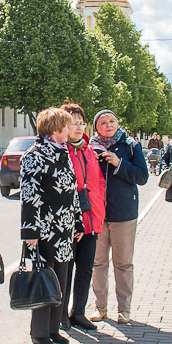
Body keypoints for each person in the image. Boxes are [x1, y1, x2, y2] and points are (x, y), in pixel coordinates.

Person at [21, 107, 84, 344]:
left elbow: (72, 189)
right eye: (67, 126)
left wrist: (77, 220)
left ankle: (53, 329)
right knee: (43, 279)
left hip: (65, 229)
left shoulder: (63, 152)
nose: (71, 130)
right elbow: (29, 196)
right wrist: (30, 234)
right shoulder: (34, 155)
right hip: (44, 230)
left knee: (60, 280)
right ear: (55, 129)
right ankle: (39, 333)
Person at [88, 109, 148, 324]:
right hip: (98, 214)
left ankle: (124, 310)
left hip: (123, 213)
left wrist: (119, 163)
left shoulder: (130, 146)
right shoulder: (90, 148)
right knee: (98, 263)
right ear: (96, 127)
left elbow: (142, 176)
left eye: (112, 121)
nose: (108, 125)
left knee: (123, 264)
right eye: (103, 122)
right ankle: (100, 307)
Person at [60, 103, 104, 331]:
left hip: (91, 221)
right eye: (73, 123)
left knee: (86, 269)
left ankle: (78, 312)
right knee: (66, 269)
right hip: (70, 223)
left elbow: (98, 184)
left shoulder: (89, 151)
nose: (78, 127)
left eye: (80, 123)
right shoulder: (61, 151)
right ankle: (61, 314)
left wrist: (100, 209)